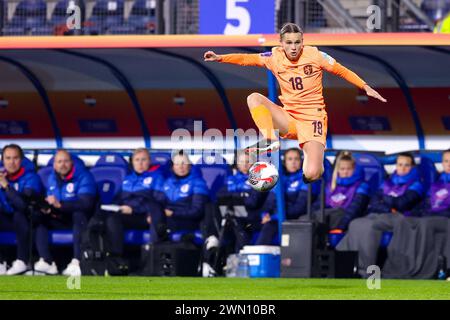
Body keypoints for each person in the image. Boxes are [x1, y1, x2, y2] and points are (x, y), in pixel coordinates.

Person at [204, 22, 386, 184]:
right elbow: (247, 59)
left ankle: (317, 164)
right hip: (288, 118)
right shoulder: (274, 57)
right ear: (281, 43)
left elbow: (341, 71)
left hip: (313, 119)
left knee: (312, 174)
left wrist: (365, 86)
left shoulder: (315, 55)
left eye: (297, 42)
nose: (293, 47)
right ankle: (270, 138)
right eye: (289, 43)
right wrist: (220, 57)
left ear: (302, 42)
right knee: (254, 98)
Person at [336, 152, 425, 277]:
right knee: (356, 223)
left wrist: (385, 199)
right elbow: (374, 202)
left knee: (370, 225)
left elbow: (402, 203)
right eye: (400, 164)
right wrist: (388, 206)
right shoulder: (387, 182)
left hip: (401, 217)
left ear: (412, 167)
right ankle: (351, 267)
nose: (402, 168)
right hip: (384, 213)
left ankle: (368, 270)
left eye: (406, 165)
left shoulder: (417, 184)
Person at [379, 149, 450, 279]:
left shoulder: (417, 184)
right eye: (446, 161)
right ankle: (400, 267)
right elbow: (426, 205)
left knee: (424, 224)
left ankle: (422, 270)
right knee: (406, 221)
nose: (448, 164)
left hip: (445, 218)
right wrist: (415, 214)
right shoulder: (437, 184)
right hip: (432, 217)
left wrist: (430, 215)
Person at [204, 151, 268, 275]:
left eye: (248, 161)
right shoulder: (230, 179)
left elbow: (253, 202)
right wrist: (241, 196)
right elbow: (219, 197)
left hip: (252, 219)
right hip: (232, 216)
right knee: (212, 208)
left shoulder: (260, 179)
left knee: (236, 224)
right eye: (242, 161)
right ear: (237, 164)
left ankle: (237, 266)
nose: (245, 164)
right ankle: (214, 255)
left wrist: (233, 197)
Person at [33, 150, 97, 276]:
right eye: (59, 162)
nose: (63, 165)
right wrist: (48, 208)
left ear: (71, 163)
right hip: (61, 217)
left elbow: (86, 204)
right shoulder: (52, 178)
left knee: (79, 215)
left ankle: (78, 262)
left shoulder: (84, 176)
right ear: (54, 165)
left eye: (66, 161)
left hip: (79, 219)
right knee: (39, 217)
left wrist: (60, 205)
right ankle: (47, 262)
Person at [102, 148, 165, 258]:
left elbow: (158, 202)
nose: (140, 163)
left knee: (113, 220)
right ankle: (115, 260)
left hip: (144, 216)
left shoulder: (157, 177)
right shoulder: (127, 179)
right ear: (132, 162)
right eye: (137, 160)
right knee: (107, 217)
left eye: (143, 160)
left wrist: (134, 209)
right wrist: (116, 207)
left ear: (149, 161)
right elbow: (116, 199)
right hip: (126, 214)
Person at [256, 148, 320, 245]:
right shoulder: (279, 179)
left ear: (301, 161)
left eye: (296, 159)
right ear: (284, 162)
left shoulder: (306, 178)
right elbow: (268, 204)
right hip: (276, 218)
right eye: (290, 159)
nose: (293, 162)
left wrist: (274, 217)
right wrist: (265, 215)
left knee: (270, 226)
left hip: (296, 219)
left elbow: (300, 208)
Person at [0, 144, 43, 275]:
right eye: (8, 158)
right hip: (6, 220)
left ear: (21, 160)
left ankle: (22, 261)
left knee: (20, 214)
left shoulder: (31, 178)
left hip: (28, 221)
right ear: (3, 160)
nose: (11, 162)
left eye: (15, 158)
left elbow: (22, 205)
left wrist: (6, 186)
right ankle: (1, 261)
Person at [154, 150, 209, 239]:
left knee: (161, 226)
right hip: (169, 218)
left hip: (189, 220)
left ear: (190, 166)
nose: (181, 167)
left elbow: (197, 211)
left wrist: (173, 213)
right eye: (177, 164)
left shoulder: (198, 183)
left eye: (184, 163)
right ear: (173, 167)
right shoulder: (167, 183)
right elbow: (158, 203)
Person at [311, 151, 370, 232]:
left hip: (343, 220)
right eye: (342, 169)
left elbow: (354, 209)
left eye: (349, 169)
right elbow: (318, 204)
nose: (345, 172)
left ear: (354, 169)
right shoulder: (330, 185)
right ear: (337, 170)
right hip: (326, 217)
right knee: (306, 219)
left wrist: (341, 227)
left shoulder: (362, 186)